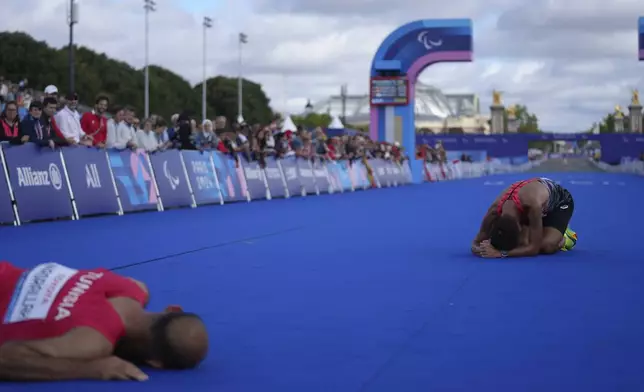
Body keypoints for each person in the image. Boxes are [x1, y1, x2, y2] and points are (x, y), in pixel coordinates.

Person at [0, 261, 208, 381]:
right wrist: (90, 369)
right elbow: (4, 360)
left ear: (172, 308)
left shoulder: (134, 288)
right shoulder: (91, 342)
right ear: (156, 363)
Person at [471, 177, 577, 258]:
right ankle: (543, 229)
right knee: (522, 242)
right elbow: (477, 241)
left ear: (520, 226)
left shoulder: (532, 206)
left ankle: (565, 236)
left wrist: (501, 253)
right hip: (533, 206)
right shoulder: (493, 212)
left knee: (546, 246)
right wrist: (481, 249)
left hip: (559, 202)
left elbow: (534, 248)